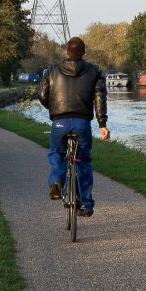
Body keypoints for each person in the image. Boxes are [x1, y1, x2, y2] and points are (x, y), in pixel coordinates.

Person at [37, 36, 109, 217]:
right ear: (84, 53)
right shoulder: (94, 71)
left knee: (56, 152)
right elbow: (100, 98)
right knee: (83, 161)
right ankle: (86, 205)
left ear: (66, 52)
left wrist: (54, 109)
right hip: (82, 123)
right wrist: (102, 124)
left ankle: (55, 182)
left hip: (59, 122)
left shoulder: (52, 69)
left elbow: (41, 94)